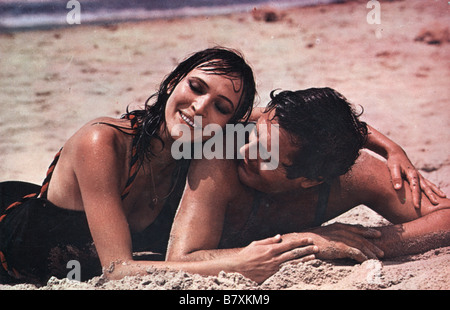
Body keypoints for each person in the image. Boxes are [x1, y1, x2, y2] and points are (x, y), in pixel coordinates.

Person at [0, 47, 262, 285]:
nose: (200, 107)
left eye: (220, 106)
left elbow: (270, 116)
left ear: (229, 123)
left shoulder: (193, 157)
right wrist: (235, 266)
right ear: (173, 82)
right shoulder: (101, 143)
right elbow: (117, 270)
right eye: (196, 87)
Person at [166, 88, 449, 284]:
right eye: (253, 133)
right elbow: (180, 261)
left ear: (312, 181)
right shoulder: (221, 153)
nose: (245, 150)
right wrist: (308, 241)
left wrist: (366, 242)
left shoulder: (353, 174)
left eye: (266, 155)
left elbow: (445, 218)